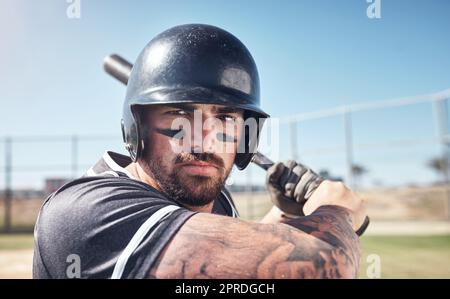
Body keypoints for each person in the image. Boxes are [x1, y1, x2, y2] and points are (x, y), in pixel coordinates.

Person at [33, 24, 368, 279]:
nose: (205, 141)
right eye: (180, 115)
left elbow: (228, 261)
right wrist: (336, 210)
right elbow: (325, 267)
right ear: (137, 128)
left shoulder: (212, 200)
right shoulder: (89, 212)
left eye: (224, 117)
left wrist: (283, 215)